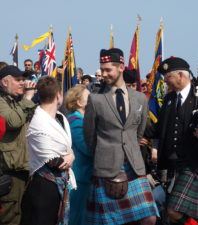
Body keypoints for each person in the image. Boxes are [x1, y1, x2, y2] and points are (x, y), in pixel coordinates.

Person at [83, 48, 158, 225]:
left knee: (149, 218)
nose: (104, 74)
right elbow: (89, 135)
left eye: (108, 69)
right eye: (102, 69)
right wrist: (103, 154)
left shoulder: (139, 98)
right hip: (106, 166)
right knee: (111, 221)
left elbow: (138, 132)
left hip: (134, 165)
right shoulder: (96, 99)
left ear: (121, 68)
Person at [148, 57, 198, 224]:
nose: (166, 82)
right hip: (171, 164)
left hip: (194, 164)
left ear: (181, 75)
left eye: (168, 77)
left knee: (173, 210)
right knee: (170, 213)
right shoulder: (169, 99)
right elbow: (159, 129)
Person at [21, 76, 76, 225]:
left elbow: (68, 150)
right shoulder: (37, 122)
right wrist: (70, 156)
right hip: (43, 187)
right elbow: (55, 162)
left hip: (61, 185)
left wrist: (70, 154)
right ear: (58, 95)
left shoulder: (60, 118)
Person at [0, 65, 36, 225]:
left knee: (26, 216)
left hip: (25, 170)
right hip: (9, 172)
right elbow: (13, 121)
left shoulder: (17, 102)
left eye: (23, 79)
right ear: (4, 82)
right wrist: (27, 98)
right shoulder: (1, 102)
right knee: (10, 218)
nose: (23, 83)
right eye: (18, 80)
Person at [65, 84, 93, 225]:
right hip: (81, 177)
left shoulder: (82, 120)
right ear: (78, 102)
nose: (91, 100)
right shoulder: (76, 122)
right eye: (88, 97)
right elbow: (88, 149)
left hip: (85, 176)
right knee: (77, 217)